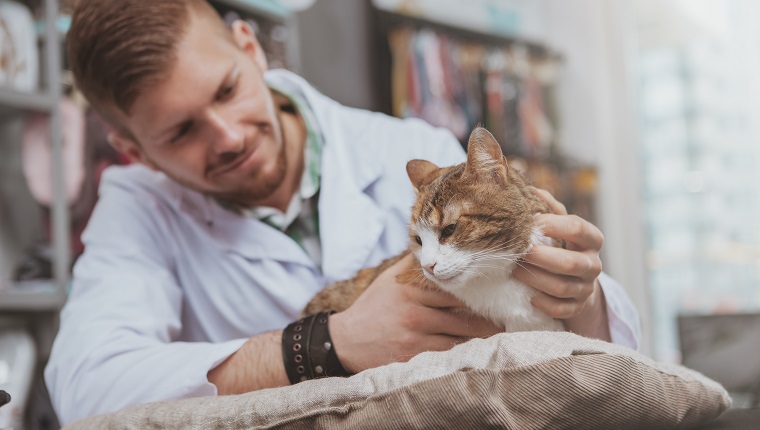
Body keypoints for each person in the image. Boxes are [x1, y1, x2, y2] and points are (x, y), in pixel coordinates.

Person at [45, 0, 641, 424]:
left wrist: (578, 297)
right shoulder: (135, 206)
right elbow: (87, 392)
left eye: (226, 91)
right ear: (131, 149)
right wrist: (324, 344)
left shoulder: (405, 150)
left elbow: (614, 352)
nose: (227, 137)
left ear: (250, 48)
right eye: (180, 131)